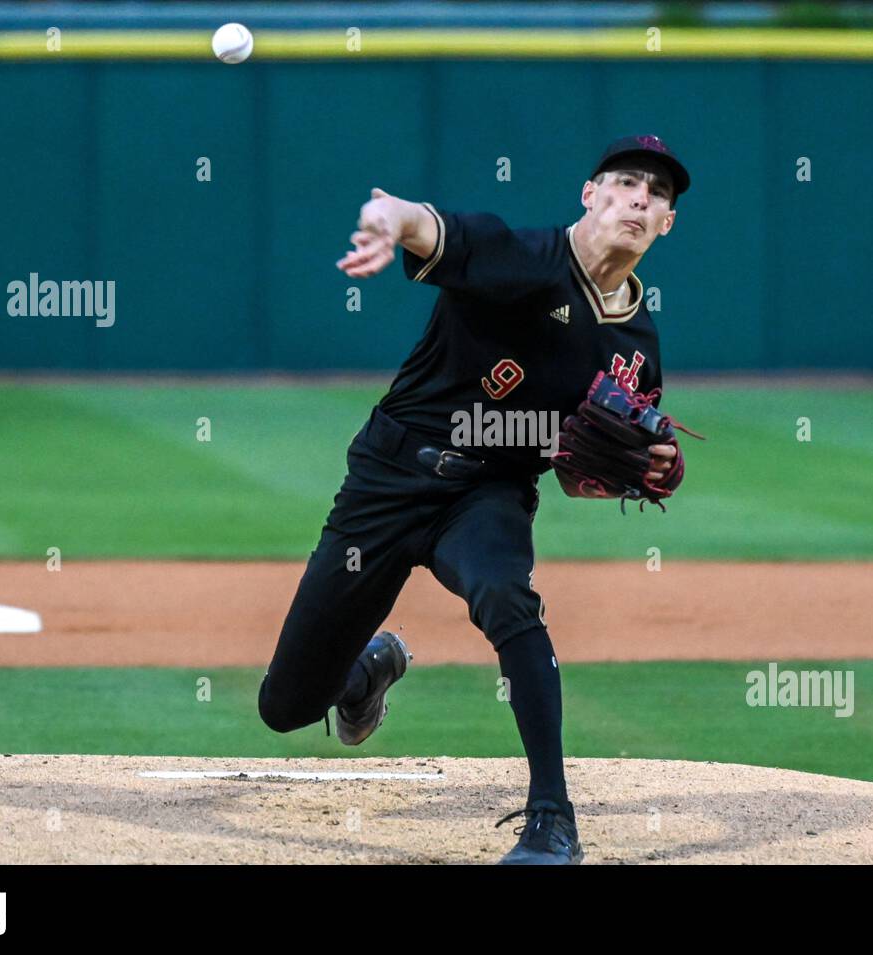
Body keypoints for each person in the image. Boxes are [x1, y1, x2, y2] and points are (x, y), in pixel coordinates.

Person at [259, 135, 690, 865]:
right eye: (623, 182)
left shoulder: (638, 345)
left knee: (506, 594)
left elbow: (580, 469)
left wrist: (654, 463)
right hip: (389, 479)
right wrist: (384, 221)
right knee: (287, 706)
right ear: (590, 195)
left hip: (487, 493)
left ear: (668, 223)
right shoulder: (516, 255)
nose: (639, 198)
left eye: (657, 193)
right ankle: (364, 670)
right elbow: (415, 220)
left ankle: (553, 818)